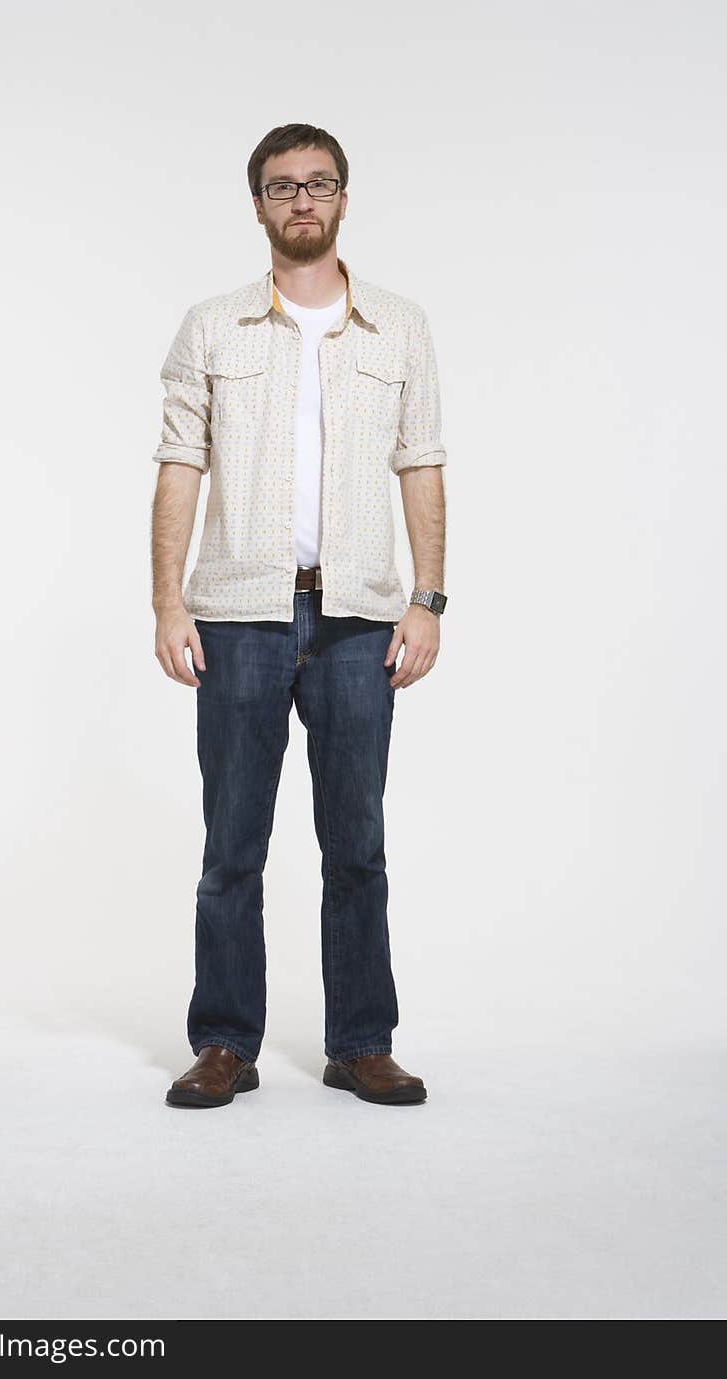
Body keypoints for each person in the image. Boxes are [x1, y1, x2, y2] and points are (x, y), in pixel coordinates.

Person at [151, 123, 448, 1108]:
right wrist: (167, 602)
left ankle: (360, 1040)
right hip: (237, 613)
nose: (302, 201)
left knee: (354, 842)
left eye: (318, 184)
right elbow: (179, 466)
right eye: (282, 187)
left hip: (360, 616)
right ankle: (224, 1042)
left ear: (344, 199)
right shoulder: (211, 327)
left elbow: (422, 466)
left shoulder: (397, 327)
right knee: (231, 845)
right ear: (259, 207)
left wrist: (427, 600)